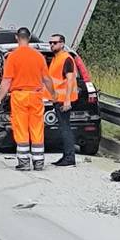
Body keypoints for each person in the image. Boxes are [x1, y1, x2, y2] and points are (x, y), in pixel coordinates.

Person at [0, 28, 55, 171]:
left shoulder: (13, 57)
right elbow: (46, 79)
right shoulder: (39, 57)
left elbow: (7, 81)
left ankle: (24, 162)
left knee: (21, 128)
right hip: (36, 95)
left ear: (16, 37)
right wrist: (53, 94)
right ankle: (38, 162)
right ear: (30, 37)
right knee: (37, 127)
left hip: (19, 96)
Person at [46, 34, 78, 166]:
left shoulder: (66, 59)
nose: (52, 45)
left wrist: (67, 100)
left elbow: (70, 79)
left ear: (62, 44)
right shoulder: (56, 58)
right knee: (63, 128)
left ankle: (69, 157)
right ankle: (66, 156)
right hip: (57, 99)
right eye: (50, 43)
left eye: (55, 43)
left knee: (65, 128)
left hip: (64, 100)